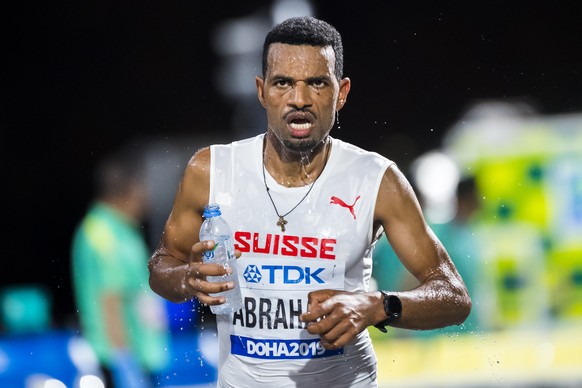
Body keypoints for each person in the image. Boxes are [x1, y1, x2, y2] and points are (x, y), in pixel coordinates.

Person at [148, 16, 471, 387]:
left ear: (342, 92)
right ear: (261, 91)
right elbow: (162, 267)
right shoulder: (211, 170)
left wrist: (378, 306)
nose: (299, 100)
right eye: (283, 83)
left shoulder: (376, 179)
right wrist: (188, 279)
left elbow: (453, 296)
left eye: (317, 83)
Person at [71, 144, 169, 388]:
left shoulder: (122, 230)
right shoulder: (102, 235)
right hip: (124, 362)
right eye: (143, 187)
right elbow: (110, 300)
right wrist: (125, 363)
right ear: (131, 189)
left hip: (141, 357)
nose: (146, 196)